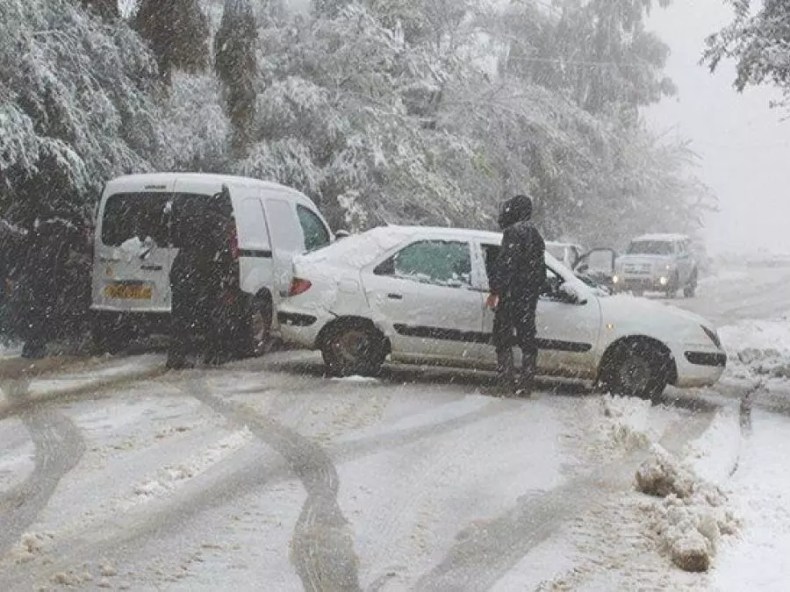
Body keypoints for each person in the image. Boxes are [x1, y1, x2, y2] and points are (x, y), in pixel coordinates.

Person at [167, 192, 239, 369]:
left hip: (181, 270)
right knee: (212, 314)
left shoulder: (194, 219)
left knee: (180, 316)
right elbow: (223, 250)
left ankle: (176, 357)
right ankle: (213, 355)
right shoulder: (218, 223)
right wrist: (229, 269)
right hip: (199, 274)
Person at [487, 194, 545, 396]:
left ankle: (505, 382)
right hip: (528, 298)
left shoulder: (513, 233)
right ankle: (526, 383)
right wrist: (532, 292)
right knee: (528, 339)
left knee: (502, 337)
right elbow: (541, 273)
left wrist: (496, 291)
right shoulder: (536, 236)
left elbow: (505, 266)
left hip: (511, 296)